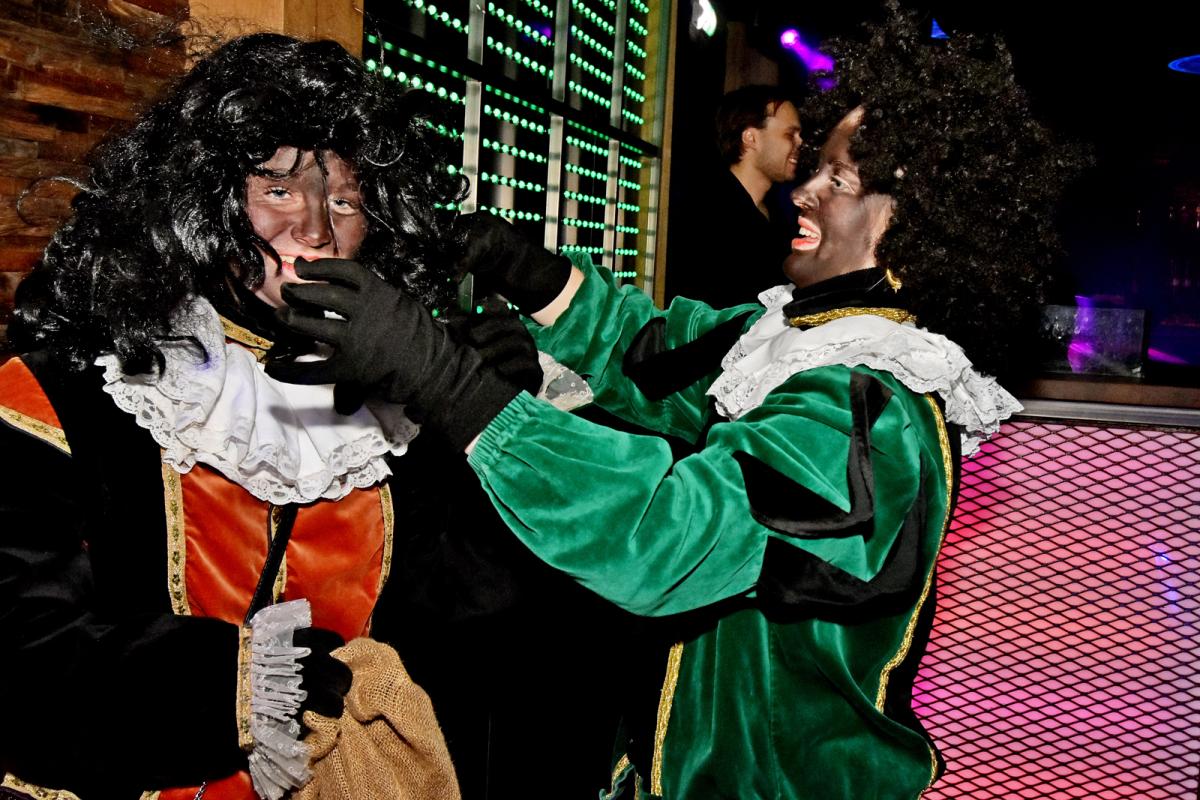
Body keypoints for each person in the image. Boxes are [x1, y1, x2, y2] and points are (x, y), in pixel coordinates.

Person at [266, 6, 1086, 797]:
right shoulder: (803, 334)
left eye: (837, 178)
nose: (804, 192)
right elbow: (661, 355)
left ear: (913, 219)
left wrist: (448, 382)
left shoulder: (867, 406)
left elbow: (665, 532)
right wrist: (531, 272)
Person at [0, 32, 521, 800]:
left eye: (344, 201)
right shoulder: (68, 394)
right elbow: (18, 657)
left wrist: (484, 416)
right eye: (278, 190)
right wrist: (228, 684)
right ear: (204, 198)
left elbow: (472, 630)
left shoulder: (395, 416)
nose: (315, 231)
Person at [665, 85, 802, 306]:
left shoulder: (779, 214)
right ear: (750, 138)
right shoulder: (705, 214)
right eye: (790, 134)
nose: (800, 142)